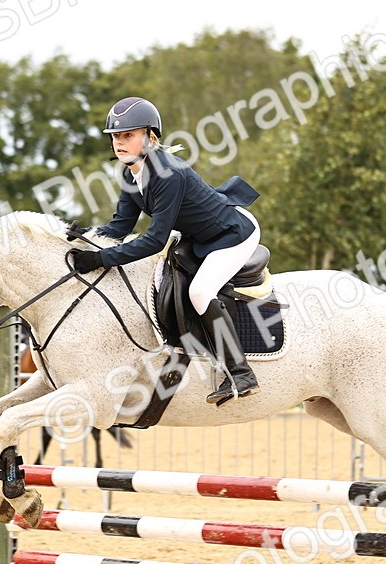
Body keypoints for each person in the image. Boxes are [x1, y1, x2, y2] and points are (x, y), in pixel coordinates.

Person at [64, 96, 261, 406]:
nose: (119, 142)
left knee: (200, 292)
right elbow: (119, 227)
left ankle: (241, 373)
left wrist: (100, 259)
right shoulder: (130, 173)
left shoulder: (168, 174)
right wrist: (84, 237)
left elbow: (155, 240)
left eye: (128, 135)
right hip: (199, 235)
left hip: (233, 234)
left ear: (151, 137)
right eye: (116, 136)